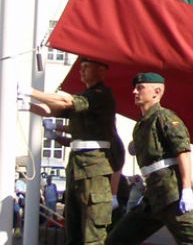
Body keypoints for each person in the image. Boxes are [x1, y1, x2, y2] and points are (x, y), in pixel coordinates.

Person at [105, 72, 193, 245]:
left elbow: (183, 152)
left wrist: (187, 190)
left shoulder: (165, 117)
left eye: (140, 88)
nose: (134, 92)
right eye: (135, 88)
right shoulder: (141, 124)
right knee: (119, 239)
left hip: (171, 192)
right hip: (152, 195)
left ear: (157, 91)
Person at [26, 57, 117, 245]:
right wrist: (27, 105)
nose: (81, 71)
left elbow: (65, 101)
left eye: (86, 67)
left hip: (94, 167)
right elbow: (53, 109)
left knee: (93, 231)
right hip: (77, 165)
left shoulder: (100, 95)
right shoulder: (84, 96)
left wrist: (30, 92)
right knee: (73, 227)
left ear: (101, 70)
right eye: (80, 67)